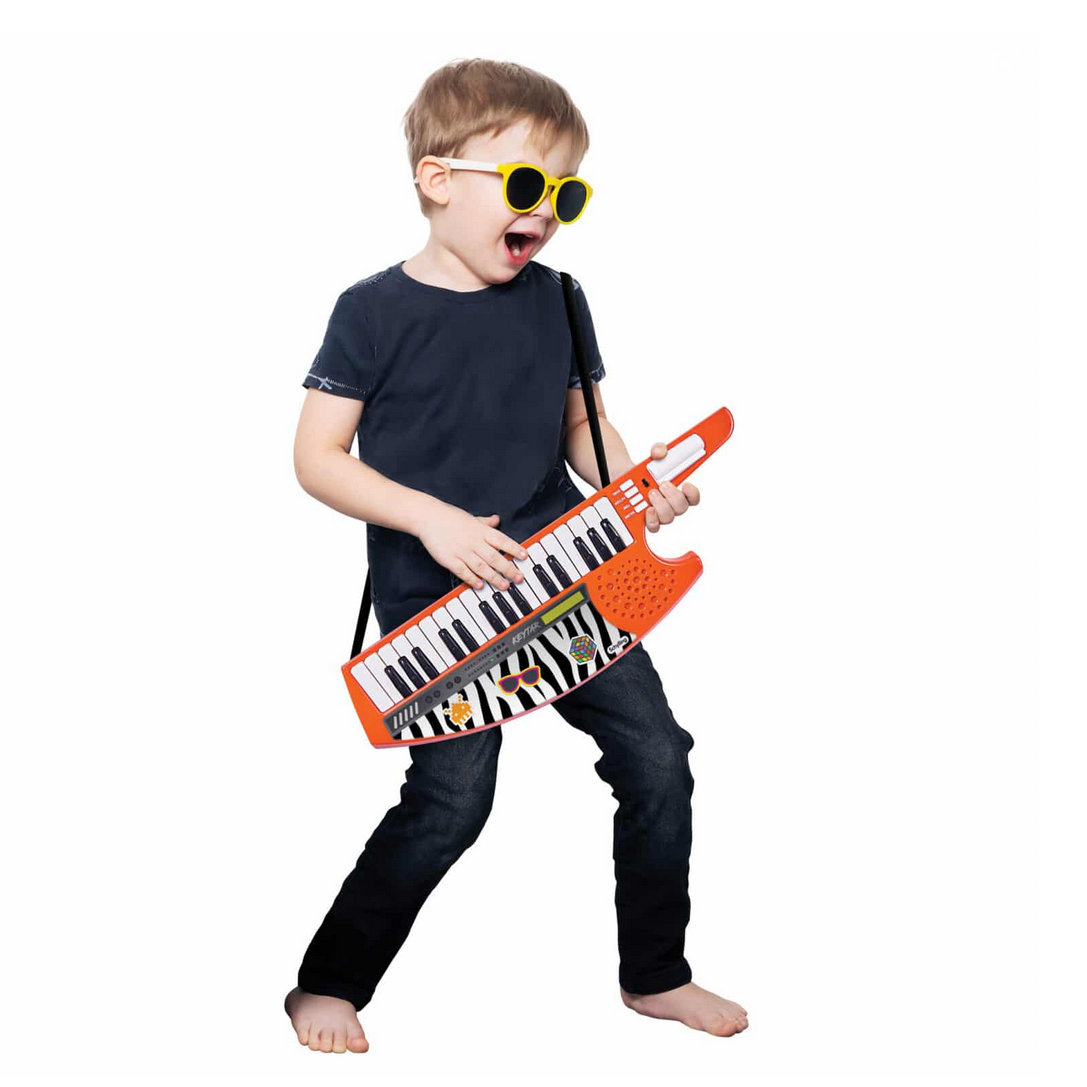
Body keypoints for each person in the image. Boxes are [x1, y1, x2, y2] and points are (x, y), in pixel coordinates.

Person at [285, 58, 749, 1053]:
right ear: (437, 180)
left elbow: (584, 424)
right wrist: (430, 520)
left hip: (575, 585)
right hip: (438, 612)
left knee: (659, 759)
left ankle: (656, 973)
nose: (549, 212)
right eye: (529, 186)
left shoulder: (562, 296)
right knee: (453, 799)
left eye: (565, 193)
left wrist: (634, 486)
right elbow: (317, 460)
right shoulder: (370, 312)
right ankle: (328, 984)